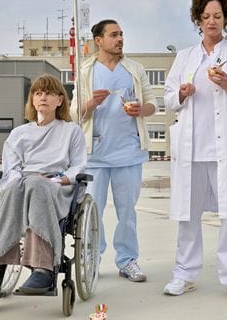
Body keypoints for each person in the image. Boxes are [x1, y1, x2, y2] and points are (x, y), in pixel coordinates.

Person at [162, 0, 227, 303]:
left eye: (217, 16)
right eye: (206, 17)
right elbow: (167, 99)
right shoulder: (185, 57)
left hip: (225, 150)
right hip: (192, 148)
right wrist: (182, 92)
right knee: (188, 216)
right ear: (198, 20)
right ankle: (184, 274)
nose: (212, 22)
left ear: (226, 19)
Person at [0, 74, 86, 296]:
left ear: (60, 100)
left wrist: (56, 180)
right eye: (38, 93)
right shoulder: (19, 134)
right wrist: (19, 182)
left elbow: (78, 167)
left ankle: (43, 267)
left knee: (36, 186)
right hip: (23, 184)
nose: (43, 97)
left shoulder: (71, 131)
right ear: (32, 100)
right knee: (13, 188)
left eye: (49, 93)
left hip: (56, 185)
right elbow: (10, 169)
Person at [71, 19, 157, 282]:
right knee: (91, 212)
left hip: (128, 153)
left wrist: (140, 109)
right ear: (99, 40)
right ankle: (92, 259)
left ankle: (127, 260)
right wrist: (90, 104)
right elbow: (74, 113)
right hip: (95, 155)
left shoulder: (134, 69)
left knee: (127, 212)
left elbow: (153, 104)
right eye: (113, 35)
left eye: (121, 34)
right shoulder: (86, 72)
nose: (119, 39)